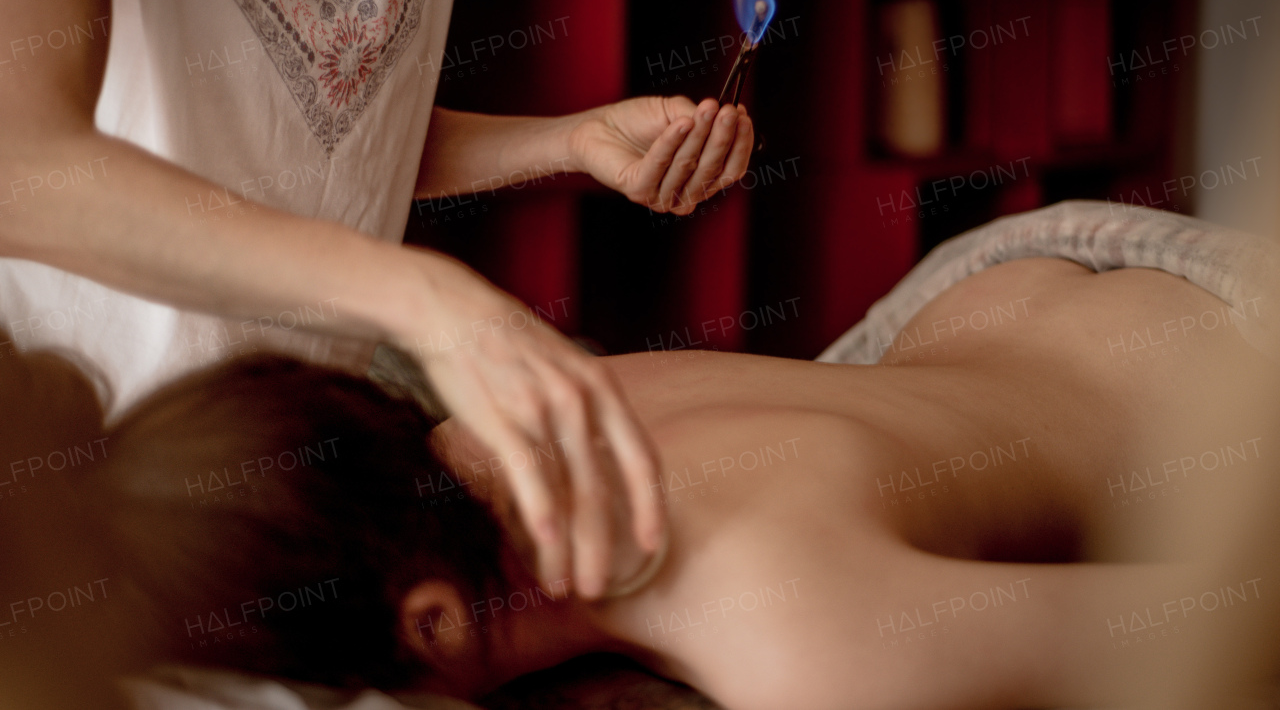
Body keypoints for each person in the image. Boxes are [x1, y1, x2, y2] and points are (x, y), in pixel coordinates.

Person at [85, 203, 1280, 710]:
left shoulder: (798, 637)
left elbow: (1228, 625)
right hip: (995, 283)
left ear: (436, 625)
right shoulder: (507, 412)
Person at [0, 0, 759, 598]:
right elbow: (20, 171)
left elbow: (324, 137)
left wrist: (567, 142)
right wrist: (418, 297)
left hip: (293, 466)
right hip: (82, 474)